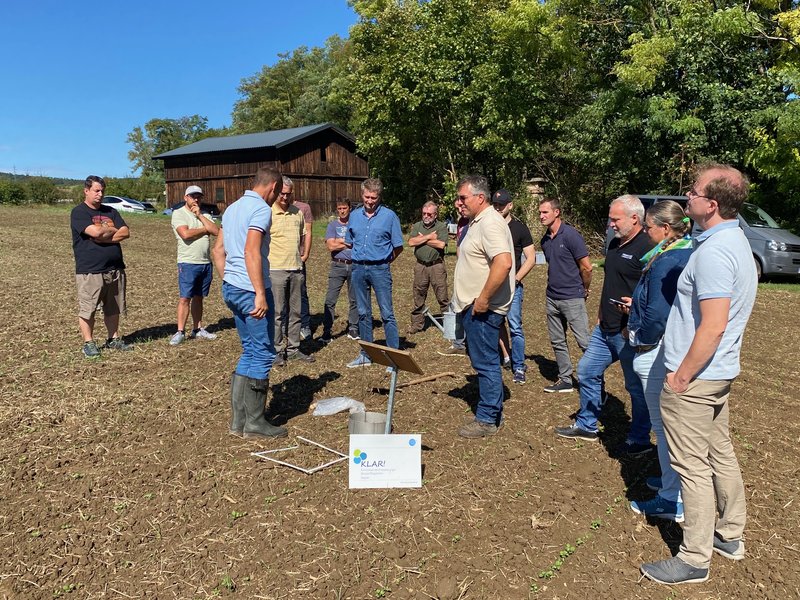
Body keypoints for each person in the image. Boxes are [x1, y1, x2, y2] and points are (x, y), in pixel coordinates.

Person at [640, 165, 757, 585]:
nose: (685, 194)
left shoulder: (713, 253)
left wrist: (681, 376)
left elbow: (713, 324)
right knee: (719, 452)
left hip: (697, 377)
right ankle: (730, 535)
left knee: (691, 466)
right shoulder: (733, 241)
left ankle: (693, 558)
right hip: (718, 373)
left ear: (710, 204)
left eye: (693, 190)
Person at [555, 195, 653, 455]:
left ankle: (640, 439)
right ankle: (587, 425)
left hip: (629, 331)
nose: (610, 224)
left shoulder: (648, 247)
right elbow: (610, 283)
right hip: (605, 327)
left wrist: (635, 312)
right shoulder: (614, 245)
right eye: (610, 219)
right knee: (587, 370)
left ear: (635, 218)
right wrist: (600, 315)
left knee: (634, 387)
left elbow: (654, 291)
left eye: (615, 219)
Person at [620, 201, 693, 523]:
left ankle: (670, 498)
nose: (645, 232)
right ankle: (669, 482)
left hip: (655, 349)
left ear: (665, 229)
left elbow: (658, 314)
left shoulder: (668, 260)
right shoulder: (678, 253)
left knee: (664, 428)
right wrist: (635, 303)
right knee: (666, 427)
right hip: (661, 345)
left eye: (649, 227)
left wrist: (642, 341)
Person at [211, 167, 287, 439]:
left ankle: (238, 422)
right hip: (249, 288)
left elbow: (217, 250)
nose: (277, 197)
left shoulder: (231, 208)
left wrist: (230, 278)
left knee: (249, 350)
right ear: (274, 186)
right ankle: (255, 423)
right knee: (264, 353)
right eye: (278, 192)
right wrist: (259, 292)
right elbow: (251, 251)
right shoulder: (261, 210)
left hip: (232, 287)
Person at [451, 175, 514, 438]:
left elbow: (504, 262)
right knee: (482, 360)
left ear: (480, 197)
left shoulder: (490, 223)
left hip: (483, 309)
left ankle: (488, 419)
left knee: (486, 362)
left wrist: (484, 299)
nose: (458, 203)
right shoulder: (477, 222)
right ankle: (489, 411)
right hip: (474, 307)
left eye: (463, 197)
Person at [70, 175, 133, 358]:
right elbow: (95, 231)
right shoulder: (79, 212)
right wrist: (111, 229)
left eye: (102, 191)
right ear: (86, 191)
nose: (100, 194)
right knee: (88, 308)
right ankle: (88, 343)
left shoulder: (111, 211)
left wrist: (105, 234)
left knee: (113, 306)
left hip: (114, 268)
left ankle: (113, 338)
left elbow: (126, 232)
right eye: (96, 190)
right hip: (90, 269)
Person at [345, 178, 404, 368]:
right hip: (358, 268)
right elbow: (350, 241)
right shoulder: (354, 216)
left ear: (379, 197)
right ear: (362, 195)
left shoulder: (389, 216)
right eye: (367, 196)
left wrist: (385, 261)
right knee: (363, 312)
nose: (370, 201)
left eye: (374, 197)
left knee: (387, 313)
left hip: (380, 268)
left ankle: (393, 357)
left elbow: (398, 246)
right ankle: (366, 354)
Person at [539, 197, 592, 393]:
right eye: (540, 212)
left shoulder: (571, 235)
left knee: (584, 342)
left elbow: (586, 267)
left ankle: (595, 383)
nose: (541, 216)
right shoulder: (545, 240)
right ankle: (565, 380)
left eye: (545, 212)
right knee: (557, 340)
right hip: (552, 297)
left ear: (556, 212)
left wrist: (584, 289)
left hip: (572, 297)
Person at [491, 189, 535, 384]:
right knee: (497, 323)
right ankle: (507, 356)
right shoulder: (490, 226)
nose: (498, 207)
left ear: (510, 205)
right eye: (496, 204)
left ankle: (519, 366)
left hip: (512, 287)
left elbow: (531, 258)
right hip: (494, 286)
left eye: (502, 204)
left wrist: (516, 279)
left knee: (515, 326)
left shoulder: (519, 228)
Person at [270, 177, 314, 364]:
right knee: (278, 312)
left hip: (296, 268)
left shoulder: (298, 212)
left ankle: (294, 347)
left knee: (295, 311)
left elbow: (305, 235)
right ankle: (277, 350)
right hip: (276, 268)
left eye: (288, 194)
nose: (285, 197)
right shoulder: (268, 212)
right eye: (282, 194)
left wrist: (303, 256)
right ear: (277, 191)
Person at [169, 185, 220, 345]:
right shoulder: (179, 214)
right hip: (188, 262)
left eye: (198, 196)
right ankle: (180, 331)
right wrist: (205, 230)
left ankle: (198, 328)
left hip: (205, 262)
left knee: (199, 298)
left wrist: (200, 216)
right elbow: (185, 234)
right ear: (186, 198)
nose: (196, 199)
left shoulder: (205, 214)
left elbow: (216, 231)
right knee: (185, 298)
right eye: (192, 196)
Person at [407, 201, 449, 334]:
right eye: (424, 213)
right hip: (420, 266)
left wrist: (422, 239)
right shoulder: (418, 225)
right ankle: (417, 324)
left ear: (435, 215)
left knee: (442, 296)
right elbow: (411, 242)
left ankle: (449, 325)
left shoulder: (441, 227)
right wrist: (430, 237)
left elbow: (441, 245)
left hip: (436, 266)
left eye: (429, 214)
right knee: (418, 294)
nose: (426, 216)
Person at [321, 199, 359, 343]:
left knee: (354, 299)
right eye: (339, 208)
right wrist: (346, 242)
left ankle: (353, 327)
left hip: (354, 265)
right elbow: (331, 246)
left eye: (344, 208)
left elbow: (358, 244)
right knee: (330, 300)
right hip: (338, 265)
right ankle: (327, 331)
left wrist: (339, 242)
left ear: (350, 208)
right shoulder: (332, 225)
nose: (342, 211)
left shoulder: (355, 224)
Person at [437, 196, 469, 357]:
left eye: (461, 207)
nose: (460, 210)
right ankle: (458, 343)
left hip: (474, 273)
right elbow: (458, 245)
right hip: (462, 270)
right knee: (456, 305)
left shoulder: (477, 222)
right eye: (457, 208)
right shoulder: (462, 222)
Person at [293, 197, 314, 340]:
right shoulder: (271, 207)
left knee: (301, 291)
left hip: (298, 257)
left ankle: (304, 324)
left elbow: (308, 231)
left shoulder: (303, 207)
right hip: (279, 259)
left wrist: (305, 254)